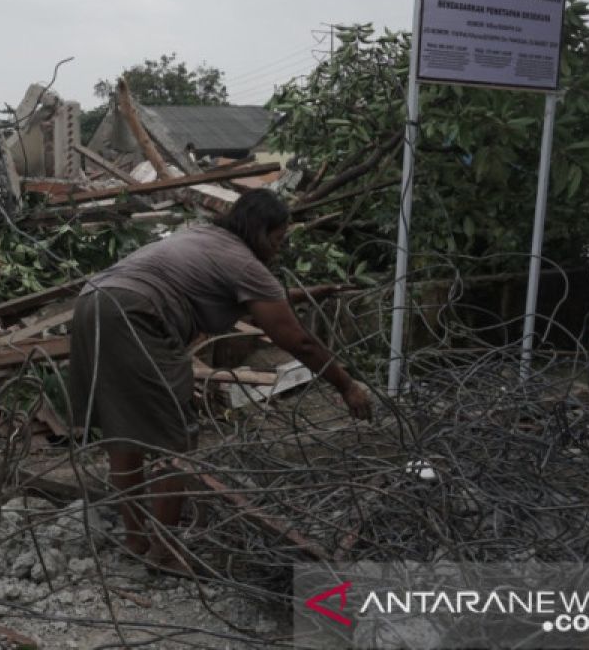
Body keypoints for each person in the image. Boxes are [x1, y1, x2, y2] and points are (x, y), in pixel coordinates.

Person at [67, 189, 372, 568]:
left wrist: (306, 293)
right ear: (262, 233)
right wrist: (347, 386)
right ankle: (165, 551)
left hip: (92, 304)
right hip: (138, 315)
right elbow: (298, 341)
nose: (278, 250)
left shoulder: (203, 237)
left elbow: (247, 294)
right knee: (173, 439)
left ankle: (137, 540)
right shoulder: (245, 264)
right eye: (277, 240)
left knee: (124, 432)